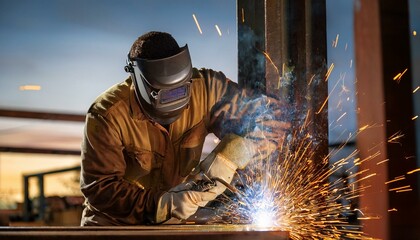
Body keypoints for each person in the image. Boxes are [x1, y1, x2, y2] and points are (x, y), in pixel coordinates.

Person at [80, 31, 289, 226]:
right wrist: (165, 206)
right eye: (165, 93)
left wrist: (230, 157)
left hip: (176, 225)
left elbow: (270, 118)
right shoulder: (106, 115)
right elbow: (101, 188)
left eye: (181, 90)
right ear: (139, 80)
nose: (176, 100)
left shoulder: (208, 89)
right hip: (114, 226)